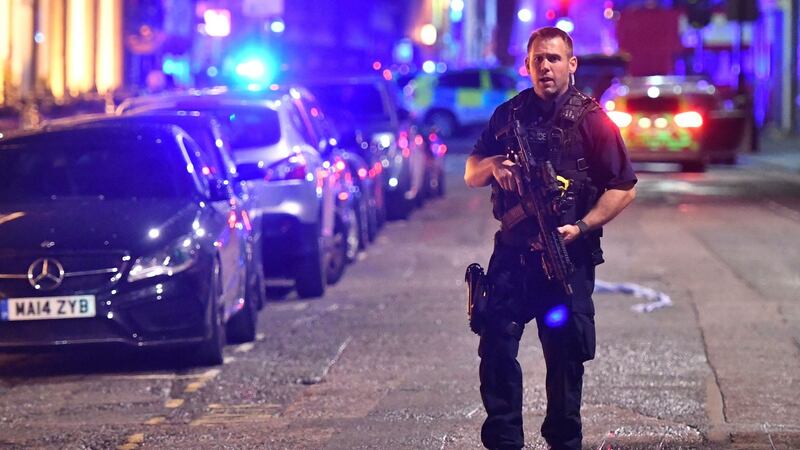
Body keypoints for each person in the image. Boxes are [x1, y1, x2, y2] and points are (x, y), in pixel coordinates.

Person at [464, 27, 637, 450]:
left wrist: (582, 226)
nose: (545, 66)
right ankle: (504, 440)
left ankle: (564, 441)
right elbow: (472, 172)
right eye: (538, 59)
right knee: (497, 347)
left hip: (566, 259)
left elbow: (624, 187)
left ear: (571, 64)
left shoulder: (593, 120)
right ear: (527, 65)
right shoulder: (508, 116)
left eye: (554, 59)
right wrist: (495, 166)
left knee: (564, 358)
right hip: (513, 258)